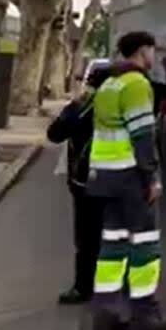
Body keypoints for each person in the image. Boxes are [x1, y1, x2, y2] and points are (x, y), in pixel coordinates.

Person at [87, 31, 166, 330]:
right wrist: (151, 178)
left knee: (112, 248)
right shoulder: (137, 84)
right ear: (143, 51)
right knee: (144, 246)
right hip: (130, 179)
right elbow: (142, 136)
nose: (154, 57)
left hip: (104, 178)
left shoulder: (108, 84)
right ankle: (144, 315)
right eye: (152, 51)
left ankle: (106, 315)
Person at [47, 63, 111, 305]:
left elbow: (55, 134)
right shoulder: (125, 105)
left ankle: (84, 287)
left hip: (84, 179)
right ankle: (113, 288)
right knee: (115, 236)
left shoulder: (82, 106)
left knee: (87, 237)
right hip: (119, 178)